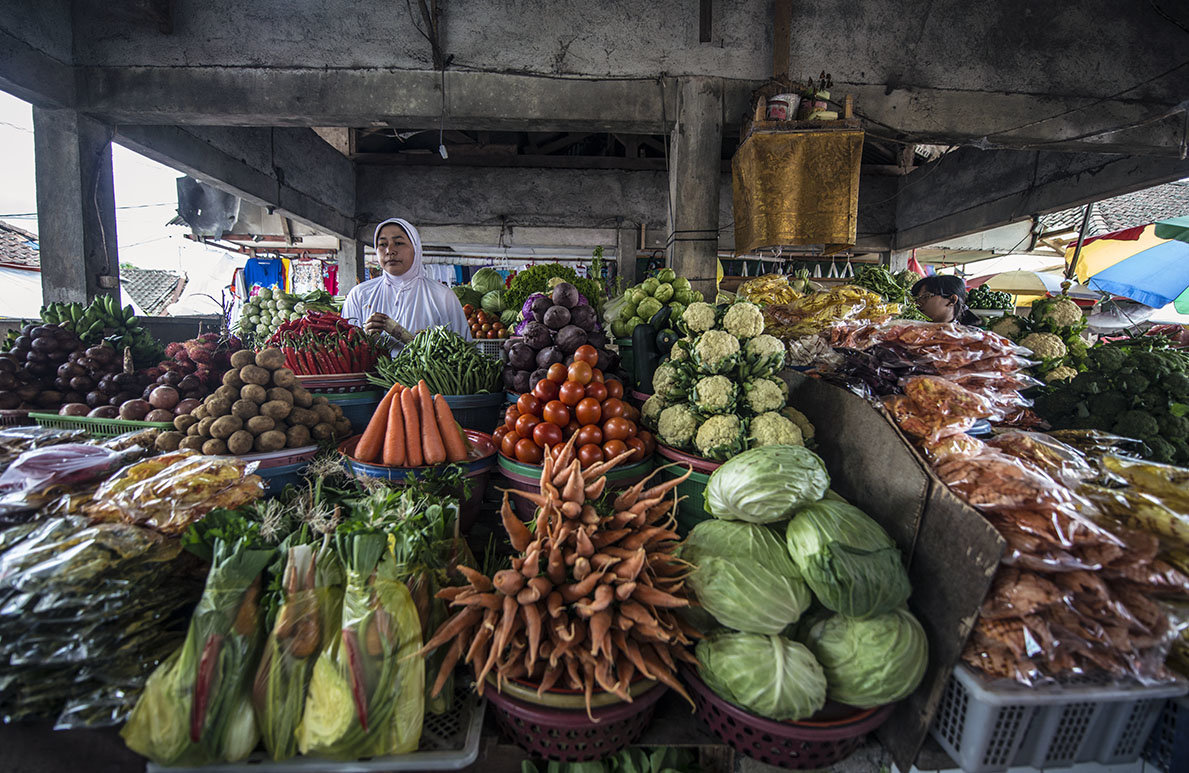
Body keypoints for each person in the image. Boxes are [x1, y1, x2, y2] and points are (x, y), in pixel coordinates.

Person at [342, 218, 471, 345]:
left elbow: (463, 349)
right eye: (382, 244)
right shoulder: (359, 295)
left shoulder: (443, 297)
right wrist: (364, 339)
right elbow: (346, 348)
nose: (389, 251)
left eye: (398, 243)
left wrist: (434, 346)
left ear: (415, 248)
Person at [911, 275, 981, 325]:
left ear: (952, 300)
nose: (917, 303)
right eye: (916, 298)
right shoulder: (912, 331)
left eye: (925, 297)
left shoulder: (966, 337)